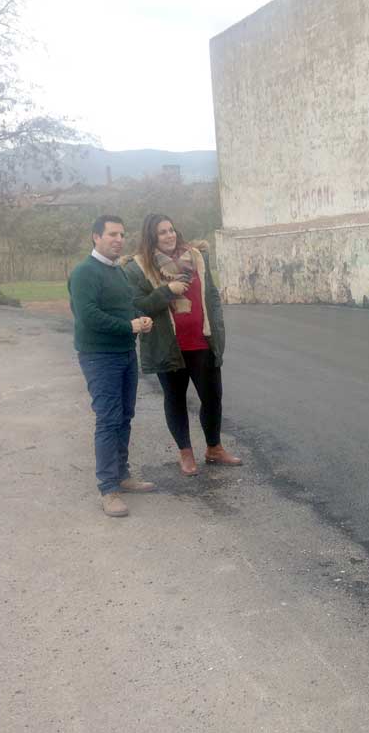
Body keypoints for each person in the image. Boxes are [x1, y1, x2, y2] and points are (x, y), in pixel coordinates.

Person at [123, 213, 242, 476]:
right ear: (151, 237)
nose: (169, 235)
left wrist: (218, 328)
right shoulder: (138, 267)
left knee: (213, 397)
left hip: (202, 342)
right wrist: (168, 290)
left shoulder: (197, 257)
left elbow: (211, 294)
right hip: (169, 346)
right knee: (175, 399)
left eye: (171, 230)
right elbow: (138, 305)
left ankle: (214, 448)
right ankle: (185, 454)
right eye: (162, 232)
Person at [68, 214, 156, 517]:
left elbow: (126, 306)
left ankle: (122, 474)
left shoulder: (117, 272)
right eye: (112, 235)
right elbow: (88, 316)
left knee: (125, 416)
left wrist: (139, 318)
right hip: (99, 356)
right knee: (108, 419)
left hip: (125, 353)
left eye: (122, 234)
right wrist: (128, 325)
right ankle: (108, 489)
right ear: (96, 237)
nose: (118, 240)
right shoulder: (84, 273)